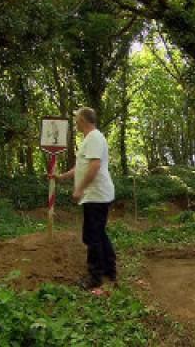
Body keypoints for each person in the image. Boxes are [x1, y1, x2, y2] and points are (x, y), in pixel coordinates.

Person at [58, 107, 116, 290]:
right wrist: (62, 177)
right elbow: (81, 166)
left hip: (96, 195)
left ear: (83, 120)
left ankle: (95, 277)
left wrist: (79, 189)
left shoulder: (95, 138)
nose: (75, 122)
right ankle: (109, 269)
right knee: (98, 233)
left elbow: (94, 166)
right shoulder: (89, 139)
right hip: (95, 195)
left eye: (77, 119)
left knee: (92, 236)